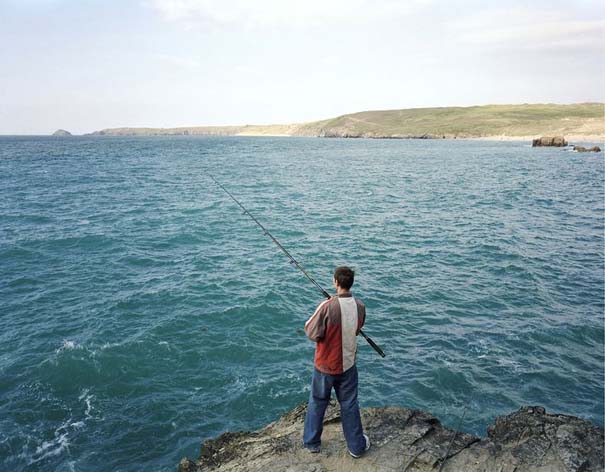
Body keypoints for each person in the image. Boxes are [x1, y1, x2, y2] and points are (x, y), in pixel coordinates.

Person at [302, 266, 370, 458]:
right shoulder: (360, 306)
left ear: (336, 282)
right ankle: (356, 447)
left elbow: (311, 332)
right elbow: (357, 328)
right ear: (351, 283)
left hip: (325, 366)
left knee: (317, 402)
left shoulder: (327, 306)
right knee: (349, 403)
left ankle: (312, 442)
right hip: (348, 365)